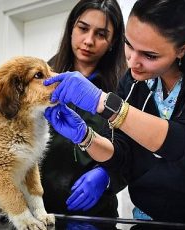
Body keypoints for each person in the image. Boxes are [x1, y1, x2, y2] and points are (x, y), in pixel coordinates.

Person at [43, 0, 185, 228]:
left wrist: (103, 102)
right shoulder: (134, 82)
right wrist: (86, 137)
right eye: (129, 45)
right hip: (152, 218)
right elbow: (123, 154)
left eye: (150, 55)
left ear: (183, 48)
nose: (132, 62)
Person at [41, 0, 127, 218]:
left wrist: (107, 176)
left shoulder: (124, 87)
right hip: (39, 210)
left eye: (101, 34)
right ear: (71, 27)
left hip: (97, 215)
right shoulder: (41, 77)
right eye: (83, 28)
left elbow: (135, 151)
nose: (88, 41)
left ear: (112, 41)